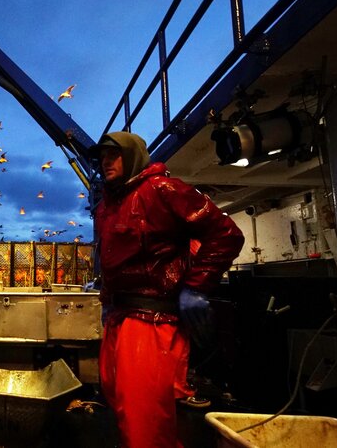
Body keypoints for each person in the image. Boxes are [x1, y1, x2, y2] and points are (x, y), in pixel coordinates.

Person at [94, 131, 244, 448]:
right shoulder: (107, 207)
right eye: (102, 156)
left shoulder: (164, 189)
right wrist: (106, 298)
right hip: (118, 317)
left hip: (151, 321)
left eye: (114, 154)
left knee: (143, 423)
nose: (106, 161)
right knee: (121, 407)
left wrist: (196, 288)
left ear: (133, 155)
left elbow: (226, 234)